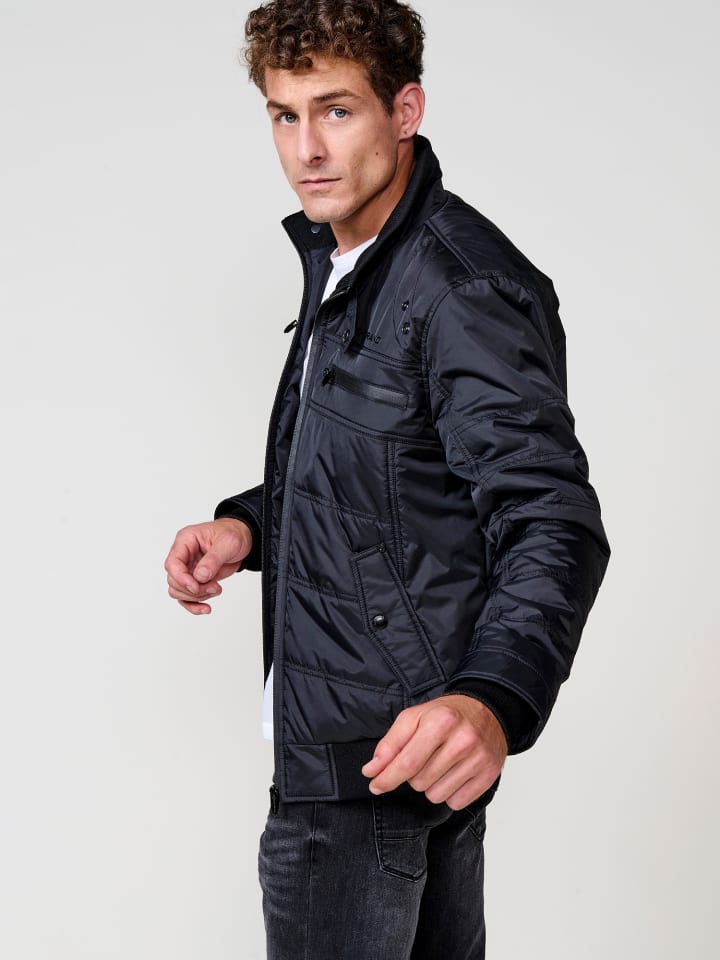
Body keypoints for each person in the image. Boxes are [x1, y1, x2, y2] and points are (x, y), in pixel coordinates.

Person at [164, 1, 610, 956]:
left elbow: (551, 518)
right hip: (378, 750)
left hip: (374, 767)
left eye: (337, 110)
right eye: (285, 115)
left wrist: (493, 697)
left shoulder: (456, 285)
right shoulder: (352, 260)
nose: (307, 149)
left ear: (405, 110)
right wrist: (250, 527)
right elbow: (393, 473)